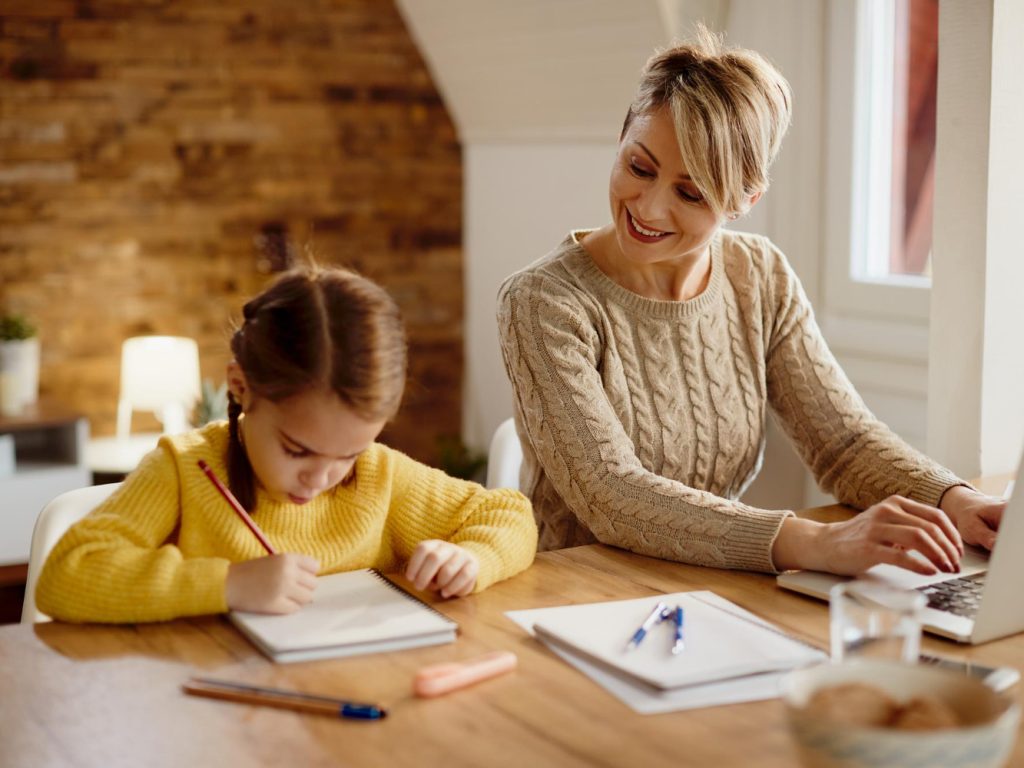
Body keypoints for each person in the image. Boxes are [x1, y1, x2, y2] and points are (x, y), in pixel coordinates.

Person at [496, 28, 1004, 577]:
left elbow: (844, 444)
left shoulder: (759, 277)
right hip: (578, 593)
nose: (649, 208)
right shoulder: (543, 301)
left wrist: (954, 500)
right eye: (639, 168)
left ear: (743, 200)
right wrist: (815, 541)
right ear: (621, 141)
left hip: (712, 584)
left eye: (690, 193)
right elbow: (611, 495)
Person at [38, 266, 537, 623]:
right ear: (240, 386)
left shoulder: (380, 476)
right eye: (298, 451)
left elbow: (510, 515)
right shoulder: (184, 470)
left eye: (348, 454)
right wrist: (227, 585)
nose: (322, 477)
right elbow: (67, 575)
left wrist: (473, 559)